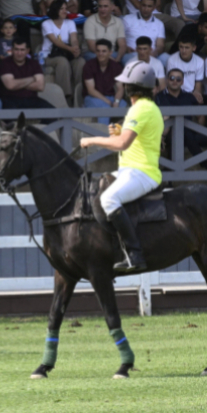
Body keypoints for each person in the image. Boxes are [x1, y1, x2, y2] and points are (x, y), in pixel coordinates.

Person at [80, 61, 163, 272]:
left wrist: (92, 140)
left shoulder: (140, 109)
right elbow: (134, 140)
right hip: (131, 169)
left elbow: (121, 144)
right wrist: (119, 132)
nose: (123, 88)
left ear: (131, 88)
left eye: (125, 84)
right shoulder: (147, 107)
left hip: (141, 172)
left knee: (108, 199)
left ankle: (135, 254)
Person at [156, 67, 205, 162]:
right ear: (167, 80)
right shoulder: (159, 97)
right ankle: (205, 163)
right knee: (182, 131)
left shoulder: (189, 96)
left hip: (190, 133)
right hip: (168, 134)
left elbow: (200, 116)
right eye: (172, 78)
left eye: (178, 79)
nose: (175, 81)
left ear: (182, 82)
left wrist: (200, 130)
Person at [39, 0, 80, 98]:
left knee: (80, 62)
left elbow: (74, 39)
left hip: (66, 53)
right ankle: (65, 96)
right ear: (55, 10)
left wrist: (76, 48)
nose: (65, 11)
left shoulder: (70, 23)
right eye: (61, 9)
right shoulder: (46, 23)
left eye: (66, 8)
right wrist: (70, 49)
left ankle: (79, 93)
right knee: (62, 62)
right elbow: (55, 41)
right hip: (49, 55)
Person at [83, 39, 125, 122]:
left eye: (104, 51)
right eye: (98, 51)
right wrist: (107, 101)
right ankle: (104, 130)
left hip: (111, 97)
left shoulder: (116, 66)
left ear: (110, 52)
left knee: (125, 107)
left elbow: (120, 88)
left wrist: (116, 102)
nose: (100, 54)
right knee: (105, 108)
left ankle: (121, 130)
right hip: (92, 98)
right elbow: (91, 90)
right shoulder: (89, 65)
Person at [122, 0, 166, 65]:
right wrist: (126, 48)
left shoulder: (159, 24)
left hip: (152, 55)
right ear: (139, 4)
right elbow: (119, 39)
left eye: (149, 6)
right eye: (144, 5)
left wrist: (155, 53)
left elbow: (160, 45)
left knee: (166, 58)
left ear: (154, 8)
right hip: (133, 54)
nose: (146, 9)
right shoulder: (127, 19)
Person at [165, 34, 205, 102]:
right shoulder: (171, 60)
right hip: (176, 92)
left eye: (187, 48)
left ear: (194, 48)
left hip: (191, 93)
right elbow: (170, 81)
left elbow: (198, 83)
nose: (183, 51)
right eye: (181, 47)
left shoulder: (199, 61)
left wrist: (197, 94)